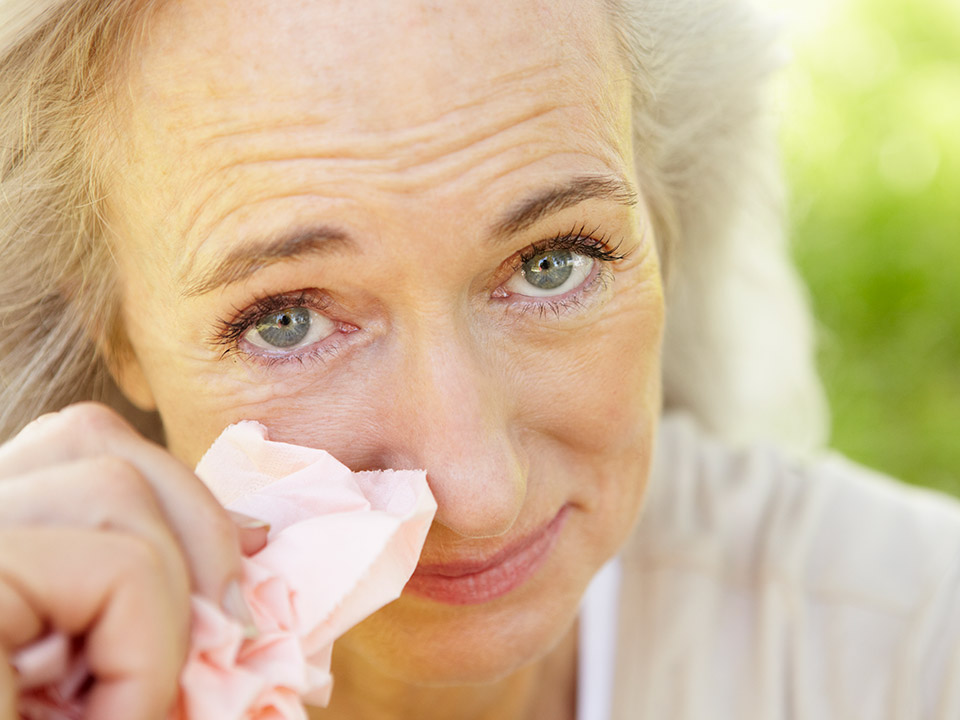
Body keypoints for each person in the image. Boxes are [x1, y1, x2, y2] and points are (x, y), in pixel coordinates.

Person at [0, 0, 957, 718]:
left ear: (659, 215)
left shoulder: (915, 648)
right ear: (114, 333)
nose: (475, 492)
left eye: (551, 265)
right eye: (287, 319)